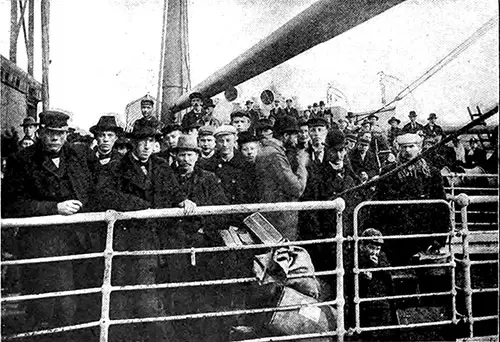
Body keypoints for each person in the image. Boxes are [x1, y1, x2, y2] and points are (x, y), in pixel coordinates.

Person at [97, 118, 195, 342]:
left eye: (151, 141)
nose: (147, 146)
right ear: (133, 143)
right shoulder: (116, 167)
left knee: (153, 293)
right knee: (135, 296)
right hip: (130, 240)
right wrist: (138, 206)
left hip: (158, 238)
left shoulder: (160, 166)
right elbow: (103, 195)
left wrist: (183, 201)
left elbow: (174, 191)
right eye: (142, 141)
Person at [2, 110, 97, 338]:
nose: (55, 139)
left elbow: (93, 190)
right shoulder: (22, 161)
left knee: (82, 306)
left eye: (60, 134)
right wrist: (53, 208)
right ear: (40, 132)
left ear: (66, 134)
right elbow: (12, 205)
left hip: (79, 244)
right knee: (51, 309)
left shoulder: (78, 157)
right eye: (50, 133)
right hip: (43, 245)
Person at [168, 134, 229, 340]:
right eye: (181, 154)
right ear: (175, 156)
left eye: (189, 154)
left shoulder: (208, 178)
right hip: (176, 243)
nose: (185, 159)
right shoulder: (168, 178)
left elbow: (221, 210)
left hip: (203, 243)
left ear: (196, 156)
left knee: (204, 293)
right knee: (177, 293)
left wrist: (205, 230)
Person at [371, 133, 448, 265]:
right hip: (396, 236)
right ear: (398, 149)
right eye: (403, 147)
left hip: (425, 237)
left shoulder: (432, 173)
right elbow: (377, 206)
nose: (407, 151)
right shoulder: (389, 173)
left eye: (411, 146)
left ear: (419, 148)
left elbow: (442, 207)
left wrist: (439, 238)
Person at [255, 116, 309, 240]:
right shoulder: (275, 154)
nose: (296, 140)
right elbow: (297, 189)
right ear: (285, 135)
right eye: (294, 136)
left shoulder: (267, 150)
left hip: (273, 215)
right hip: (280, 219)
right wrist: (302, 164)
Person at [350, 228, 396, 341]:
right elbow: (349, 282)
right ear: (362, 246)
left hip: (380, 302)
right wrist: (363, 278)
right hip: (362, 303)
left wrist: (377, 266)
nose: (374, 252)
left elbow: (388, 276)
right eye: (371, 247)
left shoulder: (382, 258)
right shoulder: (355, 258)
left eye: (377, 248)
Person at [200, 124, 254, 205]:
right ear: (216, 143)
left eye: (228, 140)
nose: (225, 145)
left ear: (235, 141)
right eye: (221, 141)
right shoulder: (208, 165)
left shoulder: (245, 164)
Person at [88, 115, 124, 186]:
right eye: (101, 135)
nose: (106, 139)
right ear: (96, 138)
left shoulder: (122, 161)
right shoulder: (87, 159)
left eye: (110, 135)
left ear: (116, 138)